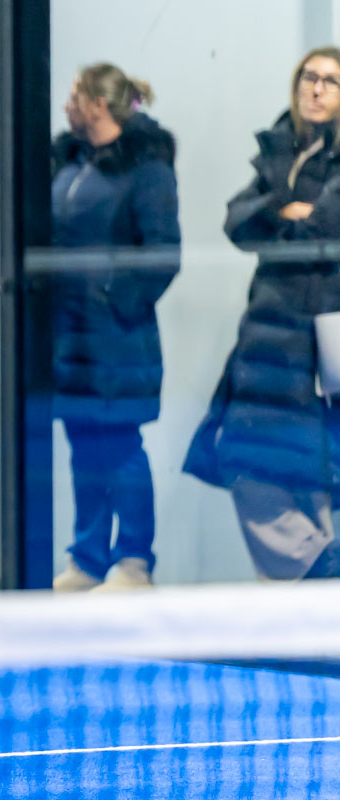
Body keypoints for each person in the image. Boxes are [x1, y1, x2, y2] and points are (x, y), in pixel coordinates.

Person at [185, 47, 340, 582]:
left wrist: (284, 220)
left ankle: (315, 586)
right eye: (308, 77)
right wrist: (283, 211)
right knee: (247, 454)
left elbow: (326, 226)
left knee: (311, 464)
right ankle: (317, 562)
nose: (315, 88)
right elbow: (237, 220)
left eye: (330, 81)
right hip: (268, 328)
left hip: (323, 329)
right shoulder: (281, 146)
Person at [49, 63, 181, 592]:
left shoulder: (147, 169)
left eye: (73, 97)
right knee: (83, 444)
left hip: (118, 338)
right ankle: (87, 560)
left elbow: (163, 253)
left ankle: (134, 562)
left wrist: (110, 299)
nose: (66, 107)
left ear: (97, 104)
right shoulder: (72, 162)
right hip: (69, 336)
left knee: (121, 445)